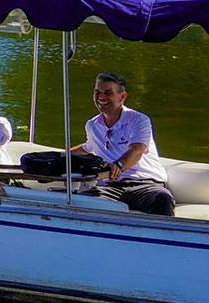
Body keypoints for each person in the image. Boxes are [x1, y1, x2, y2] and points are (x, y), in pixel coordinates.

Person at [70, 71, 175, 216]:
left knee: (162, 199)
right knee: (81, 202)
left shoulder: (139, 120)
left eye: (108, 93)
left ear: (122, 97)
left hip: (145, 184)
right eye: (97, 92)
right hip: (111, 187)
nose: (101, 97)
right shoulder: (92, 125)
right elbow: (87, 147)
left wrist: (118, 165)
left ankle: (162, 238)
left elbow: (137, 150)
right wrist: (60, 157)